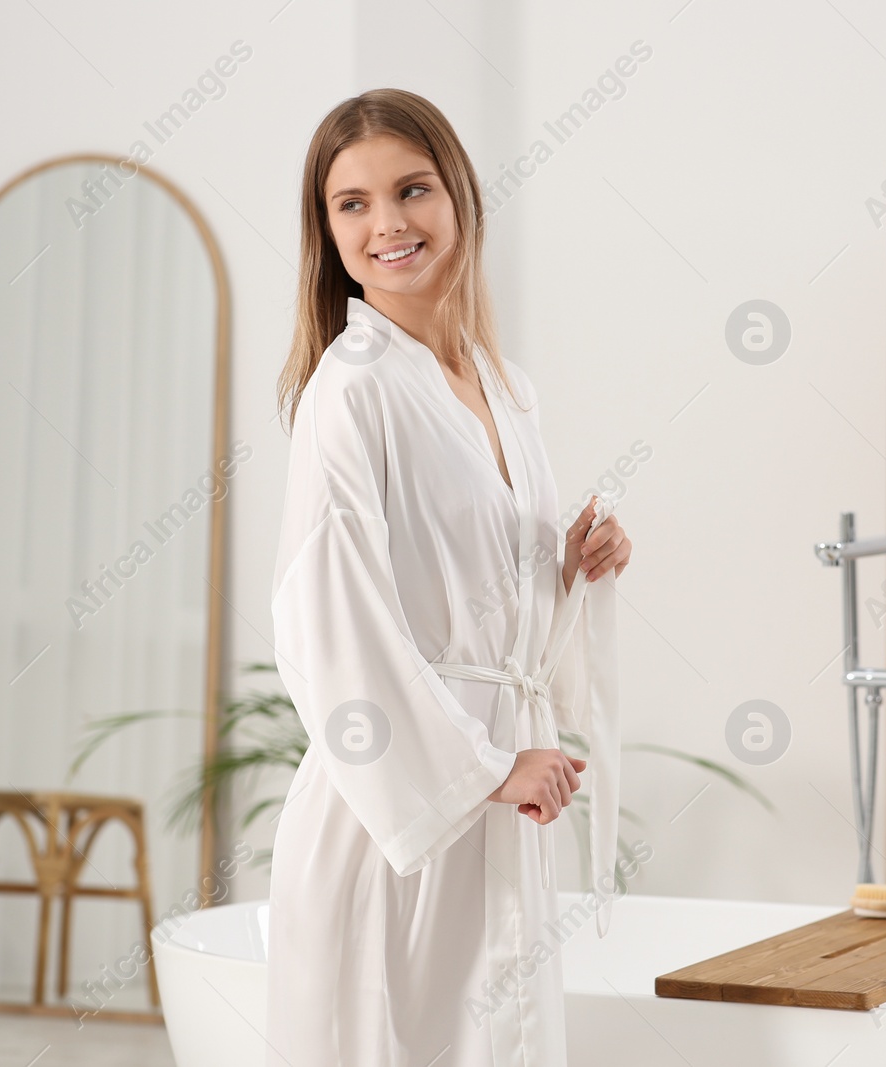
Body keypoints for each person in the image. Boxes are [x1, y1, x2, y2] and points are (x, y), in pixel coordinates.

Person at [264, 88, 633, 1067]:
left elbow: (498, 612)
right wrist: (482, 767)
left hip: (498, 803)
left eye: (411, 189)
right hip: (399, 821)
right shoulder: (351, 391)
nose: (386, 223)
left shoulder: (506, 389)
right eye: (352, 204)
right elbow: (327, 611)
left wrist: (573, 566)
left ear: (460, 196)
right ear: (327, 230)